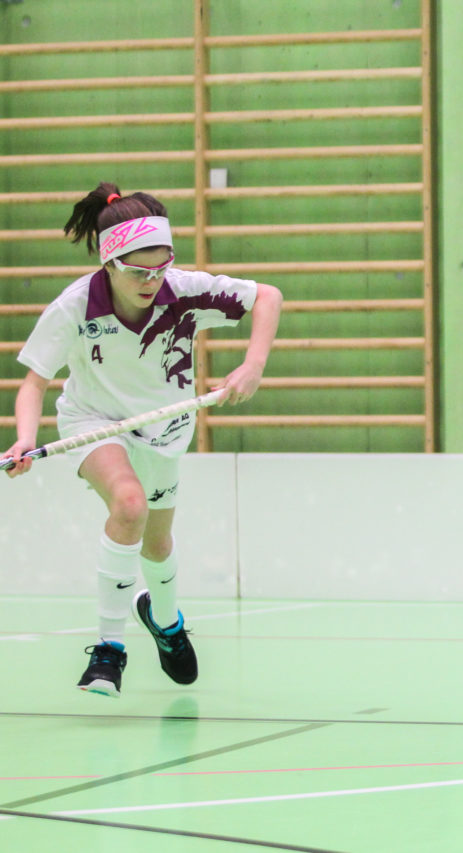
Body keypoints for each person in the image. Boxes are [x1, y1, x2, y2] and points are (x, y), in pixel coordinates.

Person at [2, 182, 282, 698]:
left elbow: (267, 296)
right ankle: (109, 651)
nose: (152, 281)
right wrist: (23, 440)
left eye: (161, 267)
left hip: (166, 431)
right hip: (93, 421)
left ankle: (166, 620)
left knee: (157, 544)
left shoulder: (185, 289)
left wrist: (254, 365)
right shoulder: (75, 307)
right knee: (128, 504)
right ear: (110, 262)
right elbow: (34, 382)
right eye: (138, 271)